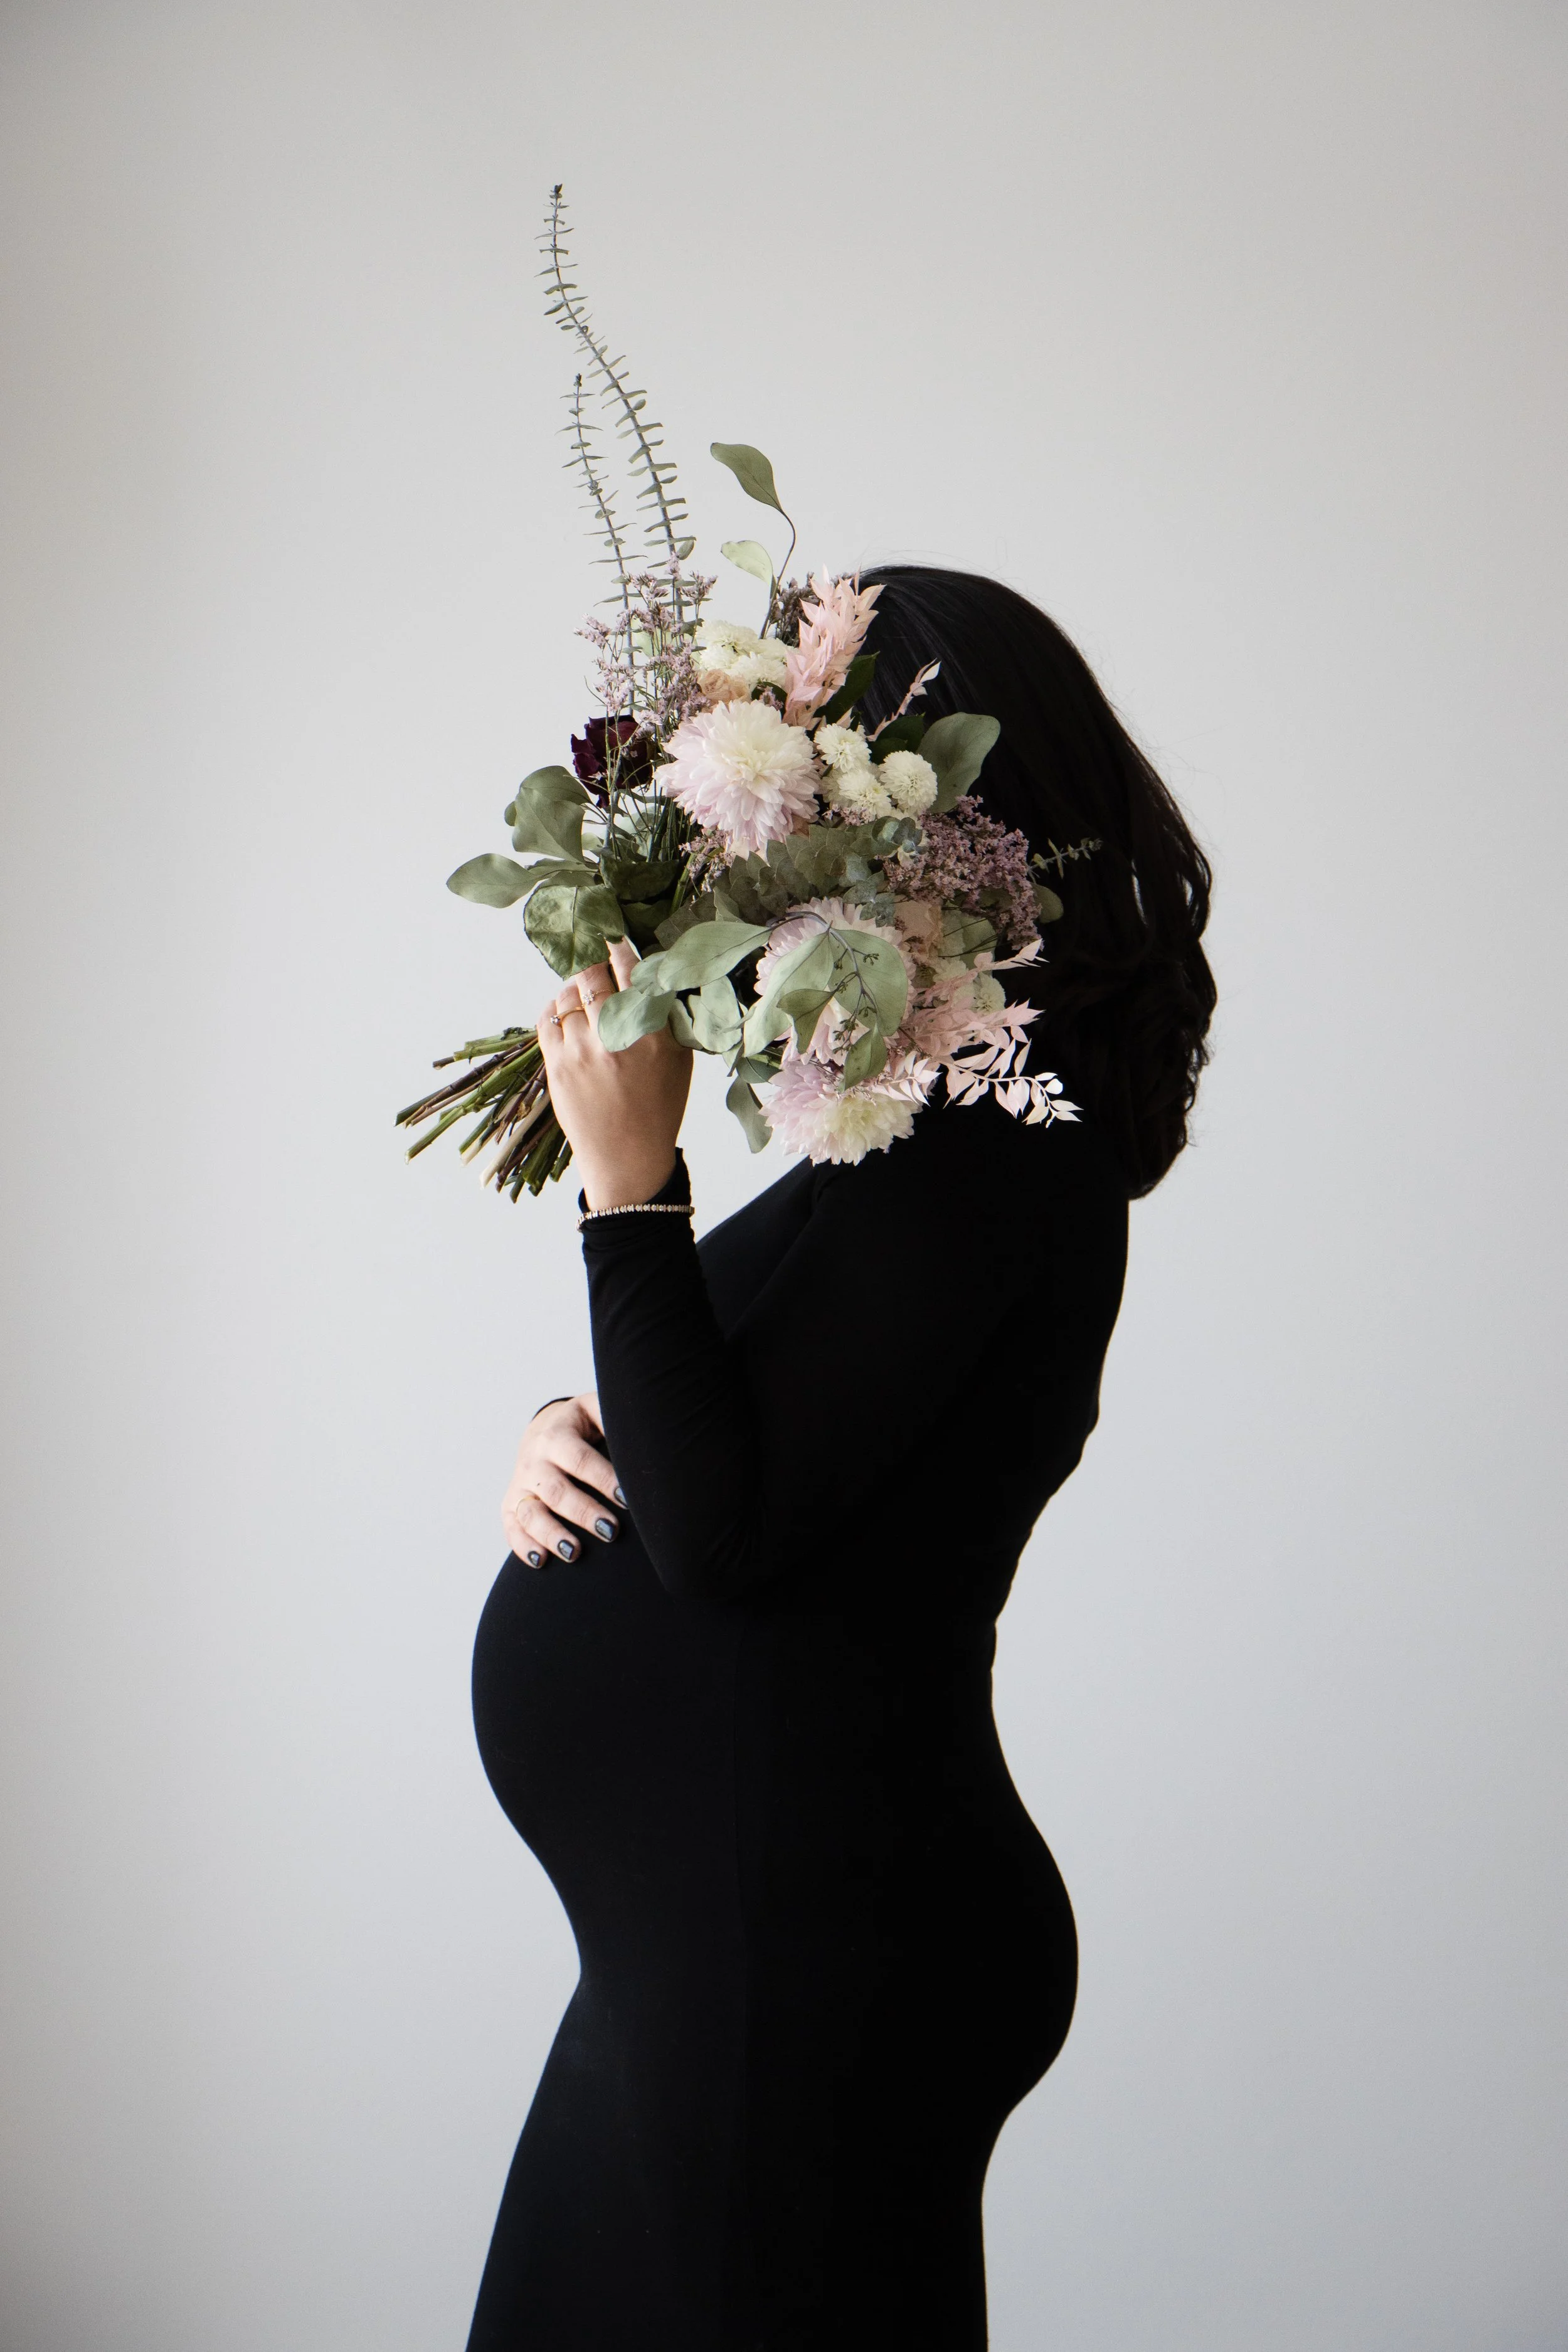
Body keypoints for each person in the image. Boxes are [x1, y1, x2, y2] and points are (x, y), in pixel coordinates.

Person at [464, 568, 1216, 2350]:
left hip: (800, 1961)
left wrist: (629, 1195)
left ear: (937, 828)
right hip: (734, 1957)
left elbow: (725, 1539)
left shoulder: (997, 1165)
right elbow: (748, 1459)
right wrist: (572, 1436)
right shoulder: (929, 1149)